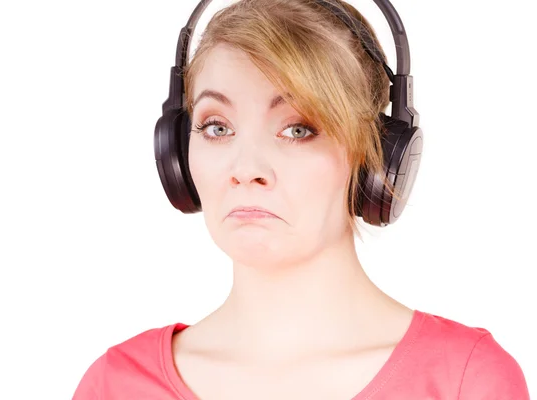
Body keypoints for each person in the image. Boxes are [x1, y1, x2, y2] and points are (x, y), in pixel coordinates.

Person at [72, 0, 530, 398]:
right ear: (176, 152)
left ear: (376, 158)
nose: (246, 168)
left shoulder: (465, 383)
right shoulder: (114, 385)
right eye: (217, 127)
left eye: (298, 129)